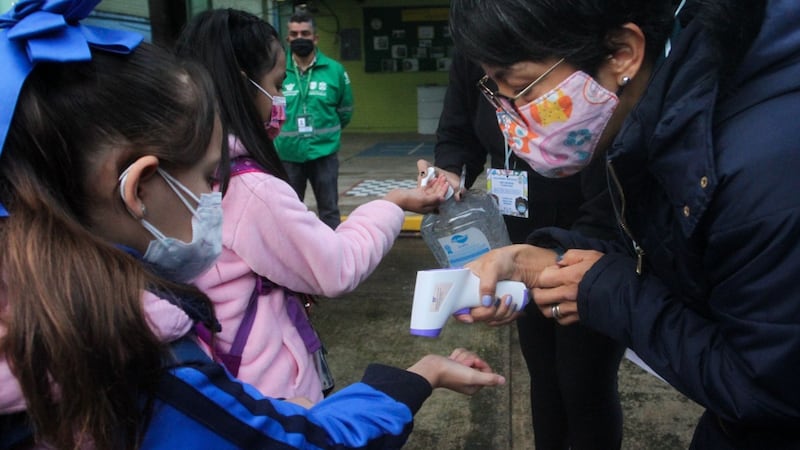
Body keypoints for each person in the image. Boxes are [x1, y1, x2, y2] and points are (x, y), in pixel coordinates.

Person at [0, 2, 505, 448]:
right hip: (271, 395)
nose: (213, 193)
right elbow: (334, 274)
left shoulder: (54, 318)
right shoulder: (151, 367)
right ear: (139, 187)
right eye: (204, 178)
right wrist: (422, 373)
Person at [449, 0, 800, 448]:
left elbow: (768, 389)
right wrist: (540, 259)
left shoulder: (762, 167)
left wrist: (606, 290)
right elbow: (669, 247)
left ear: (622, 53)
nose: (510, 116)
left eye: (521, 88)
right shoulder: (669, 109)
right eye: (494, 90)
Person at [174, 8, 451, 405]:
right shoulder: (251, 190)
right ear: (242, 85)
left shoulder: (186, 172)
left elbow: (344, 107)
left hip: (227, 372)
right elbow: (335, 266)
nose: (280, 97)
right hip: (268, 391)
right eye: (276, 83)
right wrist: (393, 202)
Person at [424, 50, 625, 449]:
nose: (503, 99)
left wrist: (563, 257)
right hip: (516, 239)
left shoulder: (572, 48)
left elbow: (610, 182)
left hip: (587, 235)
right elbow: (457, 133)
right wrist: (448, 172)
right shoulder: (475, 54)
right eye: (492, 84)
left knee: (583, 377)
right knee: (544, 373)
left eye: (515, 83)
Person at [273, 10, 353, 229]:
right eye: (294, 33)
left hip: (324, 154)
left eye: (305, 33)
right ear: (288, 38)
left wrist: (327, 133)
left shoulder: (335, 70)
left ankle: (334, 258)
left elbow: (345, 111)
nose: (300, 38)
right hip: (287, 155)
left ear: (315, 37)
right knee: (289, 215)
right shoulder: (276, 71)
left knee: (329, 212)